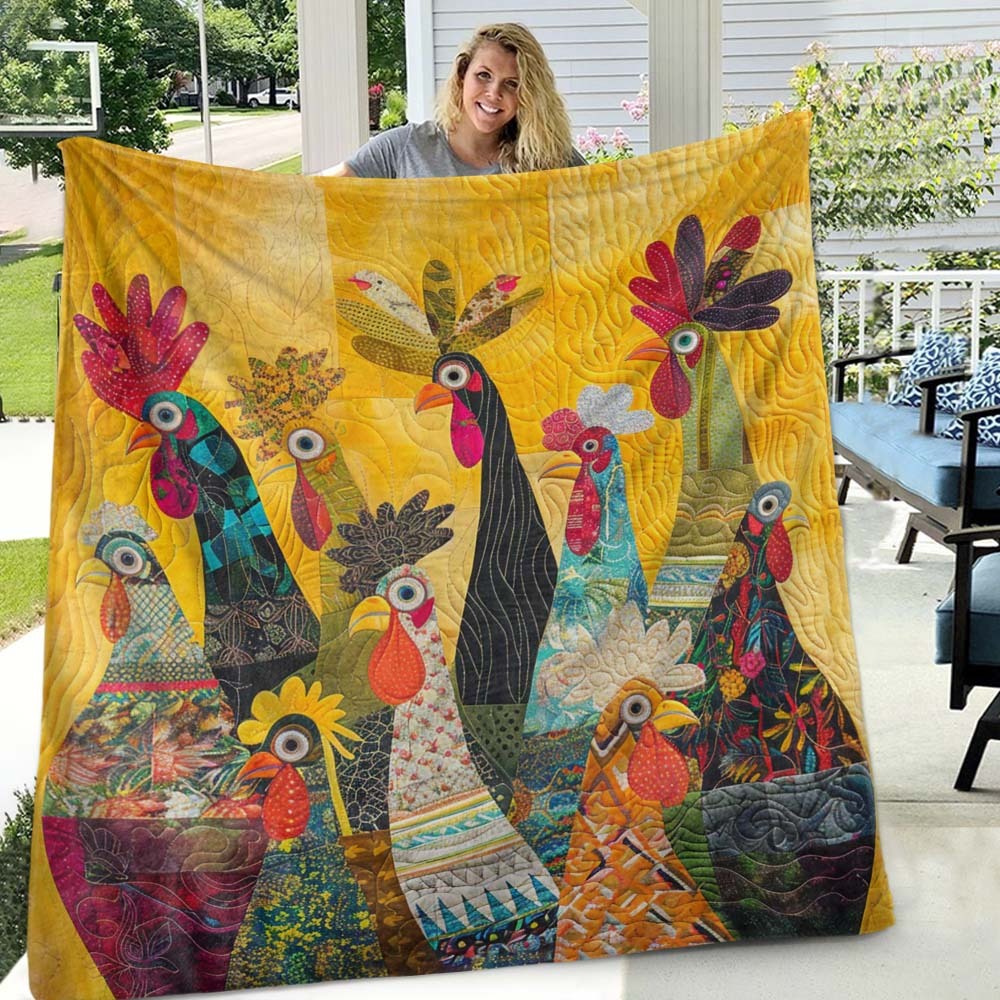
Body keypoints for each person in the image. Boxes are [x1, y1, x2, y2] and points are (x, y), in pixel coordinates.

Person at [322, 23, 586, 178]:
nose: (494, 93)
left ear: (529, 95)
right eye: (484, 75)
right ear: (462, 75)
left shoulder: (547, 158)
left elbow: (604, 208)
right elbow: (317, 195)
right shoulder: (405, 149)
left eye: (512, 84)